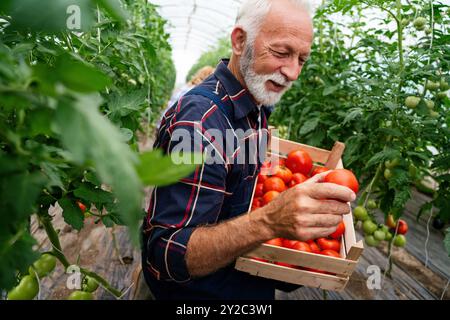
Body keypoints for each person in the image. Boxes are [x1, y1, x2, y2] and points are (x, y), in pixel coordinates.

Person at [142, 0, 355, 300]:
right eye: (281, 53)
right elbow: (167, 253)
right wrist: (269, 220)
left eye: (302, 59)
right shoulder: (201, 123)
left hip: (245, 274)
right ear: (240, 41)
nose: (293, 72)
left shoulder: (254, 104)